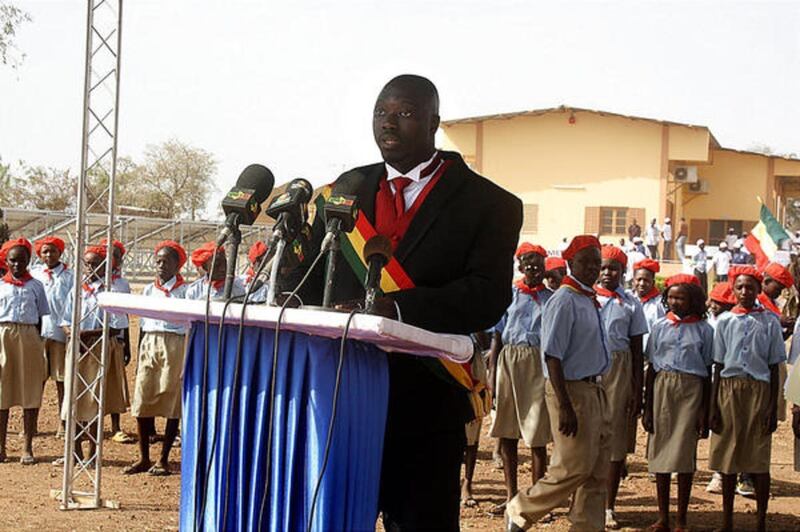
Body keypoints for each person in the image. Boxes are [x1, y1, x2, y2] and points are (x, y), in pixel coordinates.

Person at [297, 74, 522, 531]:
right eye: (381, 113)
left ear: (434, 122)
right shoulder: (347, 187)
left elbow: (488, 296)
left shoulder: (489, 203)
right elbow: (312, 278)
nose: (388, 124)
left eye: (404, 113)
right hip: (338, 393)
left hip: (426, 401)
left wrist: (397, 310)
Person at [505, 235, 609, 532]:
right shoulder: (564, 300)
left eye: (596, 262)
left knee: (596, 469)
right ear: (570, 263)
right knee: (573, 466)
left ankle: (587, 527)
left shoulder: (588, 298)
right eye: (585, 262)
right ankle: (521, 509)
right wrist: (564, 405)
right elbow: (552, 355)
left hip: (594, 389)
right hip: (572, 390)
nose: (593, 268)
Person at [709, 265, 785, 532]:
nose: (744, 292)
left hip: (758, 391)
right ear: (733, 289)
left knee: (758, 457)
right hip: (728, 390)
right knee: (728, 458)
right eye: (739, 287)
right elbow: (718, 365)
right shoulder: (725, 321)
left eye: (750, 287)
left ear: (758, 289)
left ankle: (761, 521)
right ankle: (727, 520)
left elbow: (774, 367)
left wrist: (772, 407)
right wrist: (713, 406)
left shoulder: (770, 322)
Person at [642, 273, 712, 531]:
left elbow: (707, 371)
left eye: (681, 298)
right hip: (663, 388)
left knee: (684, 456)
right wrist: (647, 407)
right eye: (671, 297)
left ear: (692, 300)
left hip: (691, 390)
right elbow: (652, 369)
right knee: (660, 453)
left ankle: (682, 518)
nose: (675, 302)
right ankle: (663, 516)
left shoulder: (704, 329)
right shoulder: (660, 326)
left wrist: (705, 410)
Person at [487, 243, 553, 516]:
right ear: (520, 265)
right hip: (509, 361)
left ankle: (536, 500)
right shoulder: (510, 295)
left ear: (545, 266)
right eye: (528, 262)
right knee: (508, 431)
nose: (533, 267)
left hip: (537, 363)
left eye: (538, 262)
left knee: (537, 433)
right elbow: (497, 336)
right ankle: (511, 496)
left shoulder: (551, 299)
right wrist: (492, 374)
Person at [594, 245, 647, 530]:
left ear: (622, 272)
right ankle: (584, 502)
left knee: (615, 440)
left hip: (619, 370)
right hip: (589, 366)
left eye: (613, 268)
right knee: (588, 437)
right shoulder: (585, 298)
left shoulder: (631, 303)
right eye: (603, 268)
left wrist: (637, 389)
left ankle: (608, 506)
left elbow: (637, 350)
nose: (607, 273)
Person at [125, 241, 188, 476]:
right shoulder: (149, 290)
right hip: (150, 343)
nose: (161, 266)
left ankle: (163, 458)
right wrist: (140, 352)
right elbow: (143, 324)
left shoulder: (186, 292)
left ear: (178, 265)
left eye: (166, 261)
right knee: (142, 400)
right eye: (158, 261)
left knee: (172, 401)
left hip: (175, 344)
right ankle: (143, 458)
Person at [60, 245, 129, 461]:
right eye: (87, 264)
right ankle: (75, 449)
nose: (90, 268)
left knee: (95, 400)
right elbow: (65, 320)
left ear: (106, 266)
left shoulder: (111, 293)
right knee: (73, 396)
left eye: (95, 264)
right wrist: (74, 335)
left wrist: (88, 334)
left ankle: (93, 451)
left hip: (100, 348)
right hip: (77, 348)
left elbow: (117, 326)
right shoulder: (77, 290)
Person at [0, 238, 50, 464]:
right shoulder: (1, 286)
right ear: (6, 261)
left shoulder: (36, 286)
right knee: (2, 391)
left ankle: (27, 447)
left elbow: (41, 318)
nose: (17, 264)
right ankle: (1, 447)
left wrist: (37, 343)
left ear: (29, 260)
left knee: (30, 390)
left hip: (29, 336)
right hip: (3, 335)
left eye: (22, 260)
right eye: (13, 260)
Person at [31, 236, 73, 437]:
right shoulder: (34, 274)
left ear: (60, 253)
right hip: (38, 334)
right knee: (36, 381)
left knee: (62, 381)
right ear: (40, 254)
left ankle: (63, 423)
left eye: (53, 251)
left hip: (60, 335)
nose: (49, 255)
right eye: (45, 251)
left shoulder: (70, 276)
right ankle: (32, 424)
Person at [98, 238, 133, 444]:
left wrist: (126, 343)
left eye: (116, 256)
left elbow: (125, 315)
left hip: (115, 339)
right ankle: (92, 425)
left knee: (115, 383)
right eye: (108, 255)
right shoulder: (89, 281)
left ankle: (116, 427)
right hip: (92, 340)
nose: (112, 259)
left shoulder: (122, 284)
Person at [704, 281, 736, 495]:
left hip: (724, 381)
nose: (714, 305)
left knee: (723, 427)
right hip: (704, 378)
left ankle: (719, 474)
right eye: (713, 301)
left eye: (720, 302)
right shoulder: (705, 321)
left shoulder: (731, 322)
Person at [629, 258, 665, 345]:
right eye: (639, 279)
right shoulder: (627, 299)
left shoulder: (660, 304)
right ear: (633, 281)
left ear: (653, 282)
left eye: (646, 280)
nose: (642, 283)